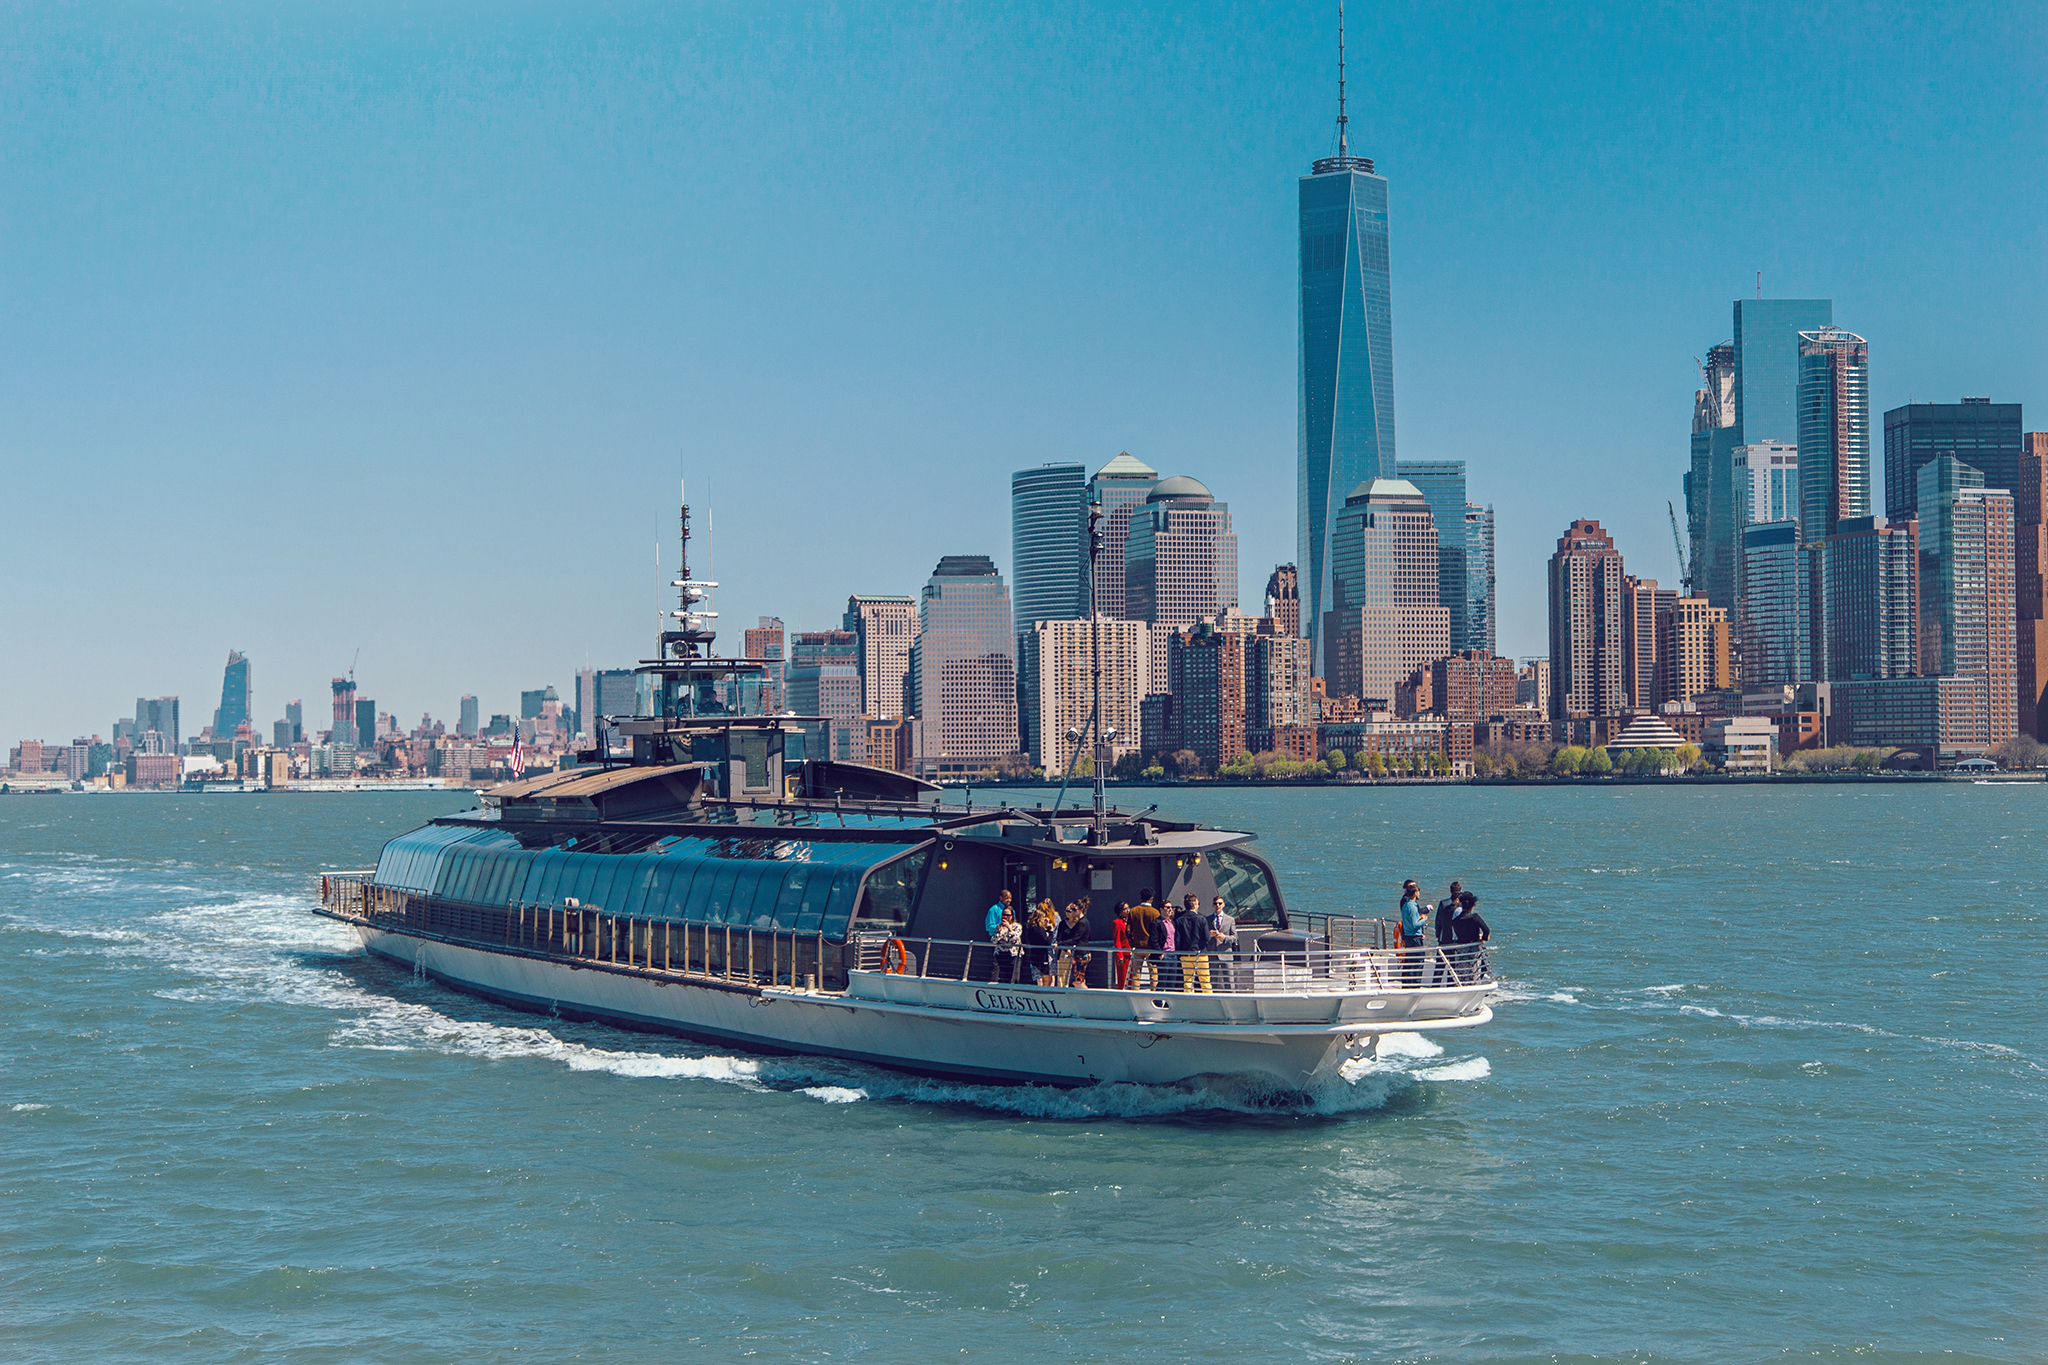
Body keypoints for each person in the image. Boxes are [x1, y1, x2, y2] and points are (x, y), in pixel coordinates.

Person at [1175, 894, 1212, 993]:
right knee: (1205, 981)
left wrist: (1179, 953)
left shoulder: (1179, 920)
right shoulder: (1201, 919)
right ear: (1195, 905)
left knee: (1188, 981)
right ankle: (1209, 1002)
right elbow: (1207, 938)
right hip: (1200, 954)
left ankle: (1189, 1002)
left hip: (1185, 954)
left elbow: (1177, 940)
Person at [1451, 890, 1491, 980]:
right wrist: (1482, 939)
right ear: (1471, 907)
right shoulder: (1475, 917)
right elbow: (1486, 930)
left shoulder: (1455, 921)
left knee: (1462, 974)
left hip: (1461, 950)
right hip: (1474, 949)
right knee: (1474, 973)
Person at [1127, 891, 1162, 991]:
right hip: (1151, 948)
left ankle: (1135, 994)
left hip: (1138, 946)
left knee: (1136, 974)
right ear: (1151, 898)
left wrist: (1132, 943)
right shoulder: (1155, 913)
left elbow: (1128, 930)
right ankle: (1154, 995)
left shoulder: (1133, 911)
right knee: (1153, 974)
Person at [1056, 902, 1094, 987]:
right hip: (1079, 953)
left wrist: (1059, 944)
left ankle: (1085, 996)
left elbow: (1075, 939)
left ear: (1080, 910)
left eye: (1074, 910)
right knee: (1076, 979)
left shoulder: (1082, 923)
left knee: (1078, 980)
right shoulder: (1081, 922)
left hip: (1081, 954)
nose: (1072, 912)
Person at [1398, 879, 1427, 986]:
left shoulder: (1405, 904)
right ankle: (1415, 984)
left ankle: (1406, 983)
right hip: (1415, 937)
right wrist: (1423, 919)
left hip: (1408, 936)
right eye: (1418, 891)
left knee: (1410, 961)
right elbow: (1415, 924)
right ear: (1415, 893)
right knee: (1418, 961)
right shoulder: (1412, 906)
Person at [1022, 901, 1057, 987]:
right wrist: (1051, 932)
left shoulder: (1030, 928)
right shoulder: (1039, 929)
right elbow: (1047, 941)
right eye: (1043, 918)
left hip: (1034, 955)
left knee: (1038, 977)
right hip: (1042, 956)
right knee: (1046, 978)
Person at [1206, 895, 1237, 990]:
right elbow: (1203, 937)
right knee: (1212, 982)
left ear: (1223, 905)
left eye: (1220, 903)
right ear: (1212, 905)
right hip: (1212, 953)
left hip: (1226, 953)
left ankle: (1231, 1001)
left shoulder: (1230, 919)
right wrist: (1209, 935)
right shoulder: (1208, 919)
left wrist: (1224, 937)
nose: (1217, 905)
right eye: (1215, 904)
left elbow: (1235, 937)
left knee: (1229, 982)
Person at [990, 904, 1023, 983]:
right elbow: (993, 941)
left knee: (1014, 978)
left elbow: (1015, 939)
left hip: (1013, 954)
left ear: (1012, 916)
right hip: (1001, 954)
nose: (1006, 917)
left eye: (1008, 915)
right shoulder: (1000, 927)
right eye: (1004, 915)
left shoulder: (1017, 926)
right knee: (1004, 978)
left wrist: (1009, 928)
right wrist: (998, 932)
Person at [984, 890, 1013, 982]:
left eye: (1010, 898)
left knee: (1007, 967)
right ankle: (993, 985)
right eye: (1006, 898)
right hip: (997, 942)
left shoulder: (1011, 910)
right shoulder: (994, 909)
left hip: (1008, 943)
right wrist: (997, 927)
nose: (1009, 900)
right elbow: (988, 926)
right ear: (1001, 898)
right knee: (995, 966)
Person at [1110, 901, 1133, 989]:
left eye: (1128, 908)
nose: (1127, 911)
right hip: (1123, 954)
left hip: (1132, 952)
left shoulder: (1131, 922)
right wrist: (1119, 954)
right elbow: (1117, 940)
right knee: (1123, 977)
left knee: (1133, 976)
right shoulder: (1117, 922)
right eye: (1125, 909)